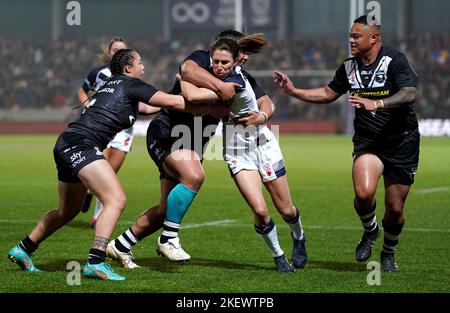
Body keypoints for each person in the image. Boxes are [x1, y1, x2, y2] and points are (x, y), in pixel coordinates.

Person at [7, 48, 222, 280]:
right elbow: (175, 102)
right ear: (128, 68)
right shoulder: (132, 83)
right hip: (83, 144)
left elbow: (151, 107)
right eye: (140, 63)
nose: (143, 67)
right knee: (116, 200)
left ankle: (24, 249)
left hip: (67, 142)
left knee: (67, 210)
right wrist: (216, 95)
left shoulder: (114, 84)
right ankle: (96, 261)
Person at [105, 30, 277, 269]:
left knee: (167, 208)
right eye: (240, 51)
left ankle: (121, 245)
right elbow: (187, 82)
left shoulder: (240, 78)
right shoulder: (201, 61)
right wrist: (218, 92)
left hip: (194, 141)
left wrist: (262, 114)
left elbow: (265, 100)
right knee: (194, 176)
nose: (244, 57)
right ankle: (168, 239)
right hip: (168, 132)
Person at [273, 15, 419, 272]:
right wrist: (294, 91)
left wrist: (378, 103)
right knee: (363, 194)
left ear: (374, 38)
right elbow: (329, 93)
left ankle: (388, 252)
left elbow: (410, 93)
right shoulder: (349, 66)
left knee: (395, 210)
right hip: (369, 143)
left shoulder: (394, 60)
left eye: (356, 36)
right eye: (350, 35)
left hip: (401, 142)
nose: (350, 40)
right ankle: (370, 231)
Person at [179, 36, 307, 272]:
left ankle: (299, 236)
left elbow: (193, 96)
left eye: (225, 63)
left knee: (286, 209)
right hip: (237, 151)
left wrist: (263, 116)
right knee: (259, 210)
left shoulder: (234, 83)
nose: (219, 67)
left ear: (235, 62)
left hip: (263, 146)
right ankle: (279, 258)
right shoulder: (222, 79)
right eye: (215, 61)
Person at [77, 38, 160, 227]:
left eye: (121, 50)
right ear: (109, 53)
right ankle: (94, 204)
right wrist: (88, 106)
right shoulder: (98, 73)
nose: (117, 53)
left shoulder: (133, 80)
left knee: (111, 173)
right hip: (102, 126)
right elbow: (82, 92)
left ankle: (95, 205)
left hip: (124, 131)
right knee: (100, 167)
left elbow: (142, 105)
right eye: (115, 50)